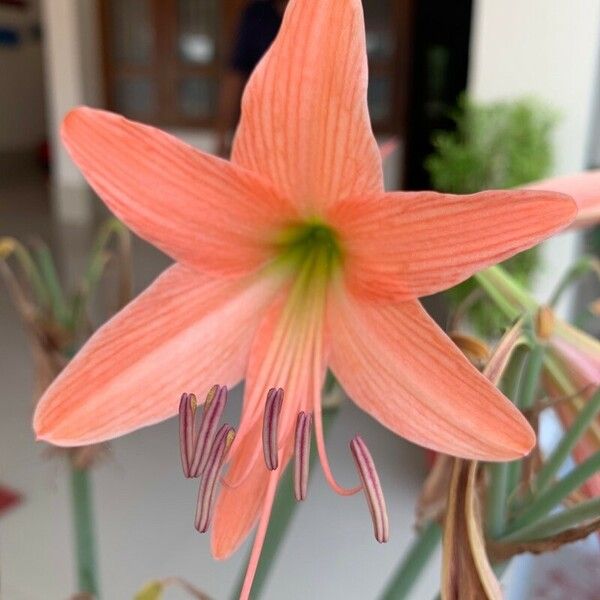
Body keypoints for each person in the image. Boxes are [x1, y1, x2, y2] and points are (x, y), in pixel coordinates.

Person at [215, 0, 288, 157]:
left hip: (314, 130)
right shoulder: (257, 14)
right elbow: (235, 77)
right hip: (263, 131)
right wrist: (221, 140)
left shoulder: (330, 12)